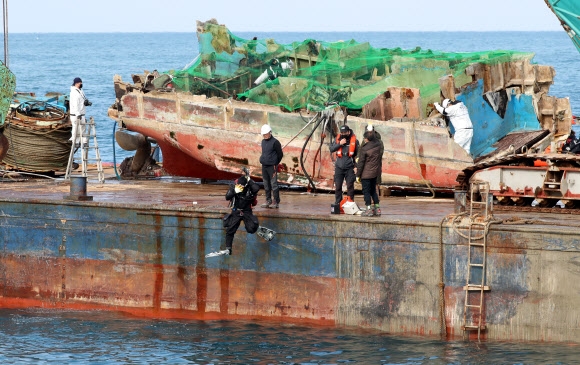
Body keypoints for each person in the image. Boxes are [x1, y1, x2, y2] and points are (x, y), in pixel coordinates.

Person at [222, 174, 260, 255]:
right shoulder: (234, 187)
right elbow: (227, 197)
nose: (241, 187)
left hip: (247, 211)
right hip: (236, 210)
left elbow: (256, 189)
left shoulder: (250, 188)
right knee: (230, 229)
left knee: (251, 228)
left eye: (242, 186)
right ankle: (228, 248)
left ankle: (255, 224)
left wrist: (250, 181)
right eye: (240, 185)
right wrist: (234, 191)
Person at [330, 125, 359, 205]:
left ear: (348, 132)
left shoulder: (355, 141)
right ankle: (338, 203)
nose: (343, 134)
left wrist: (356, 166)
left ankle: (350, 203)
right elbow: (331, 149)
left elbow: (358, 155)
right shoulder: (337, 139)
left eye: (345, 132)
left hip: (349, 167)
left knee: (350, 186)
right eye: (342, 132)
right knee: (338, 186)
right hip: (339, 166)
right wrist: (340, 143)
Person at [356, 130, 382, 217]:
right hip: (375, 173)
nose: (364, 139)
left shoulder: (365, 149)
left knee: (366, 192)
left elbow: (361, 163)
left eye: (365, 138)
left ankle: (368, 209)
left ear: (367, 139)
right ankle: (377, 208)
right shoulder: (378, 145)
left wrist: (358, 175)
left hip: (366, 174)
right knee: (373, 191)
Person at [259, 124, 283, 208]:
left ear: (270, 132)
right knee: (266, 184)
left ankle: (276, 201)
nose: (265, 136)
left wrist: (275, 164)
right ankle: (268, 200)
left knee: (274, 184)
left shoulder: (275, 142)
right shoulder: (263, 142)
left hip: (271, 166)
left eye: (266, 134)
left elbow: (280, 154)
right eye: (263, 134)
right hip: (264, 166)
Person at [69, 77, 91, 146]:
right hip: (76, 114)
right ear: (76, 83)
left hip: (82, 113)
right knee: (76, 128)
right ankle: (75, 141)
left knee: (83, 128)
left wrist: (86, 103)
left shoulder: (80, 91)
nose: (81, 84)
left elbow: (81, 101)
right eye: (80, 83)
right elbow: (75, 104)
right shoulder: (74, 93)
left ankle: (83, 141)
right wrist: (78, 114)